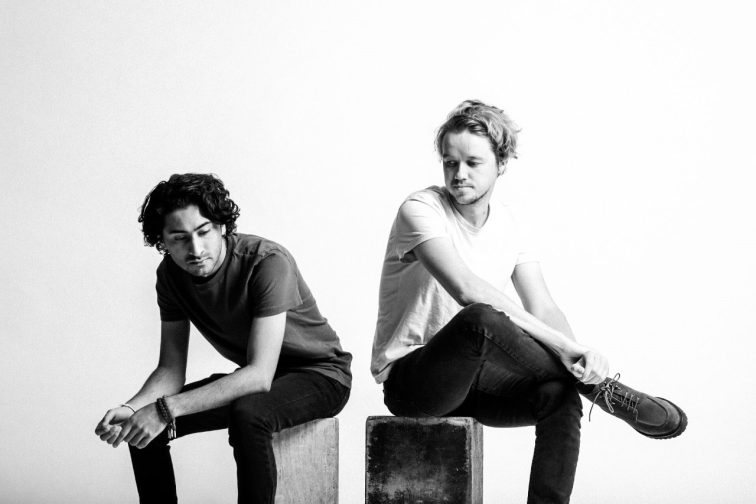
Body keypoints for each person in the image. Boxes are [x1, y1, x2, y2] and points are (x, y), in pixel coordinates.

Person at [371, 100, 686, 504]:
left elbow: (544, 307)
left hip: (477, 383)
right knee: (480, 319)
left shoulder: (510, 224)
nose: (459, 173)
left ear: (501, 164)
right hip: (414, 383)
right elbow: (467, 289)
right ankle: (604, 392)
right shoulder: (420, 209)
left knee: (559, 395)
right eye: (450, 162)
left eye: (473, 162)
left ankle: (579, 414)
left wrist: (582, 358)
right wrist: (567, 350)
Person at [95, 173, 352, 504]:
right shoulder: (170, 276)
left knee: (249, 413)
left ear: (221, 227)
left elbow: (259, 376)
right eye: (179, 238)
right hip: (255, 379)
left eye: (203, 232)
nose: (195, 249)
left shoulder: (266, 262)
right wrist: (132, 407)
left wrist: (164, 409)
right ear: (163, 241)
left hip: (321, 375)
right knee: (140, 425)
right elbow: (170, 370)